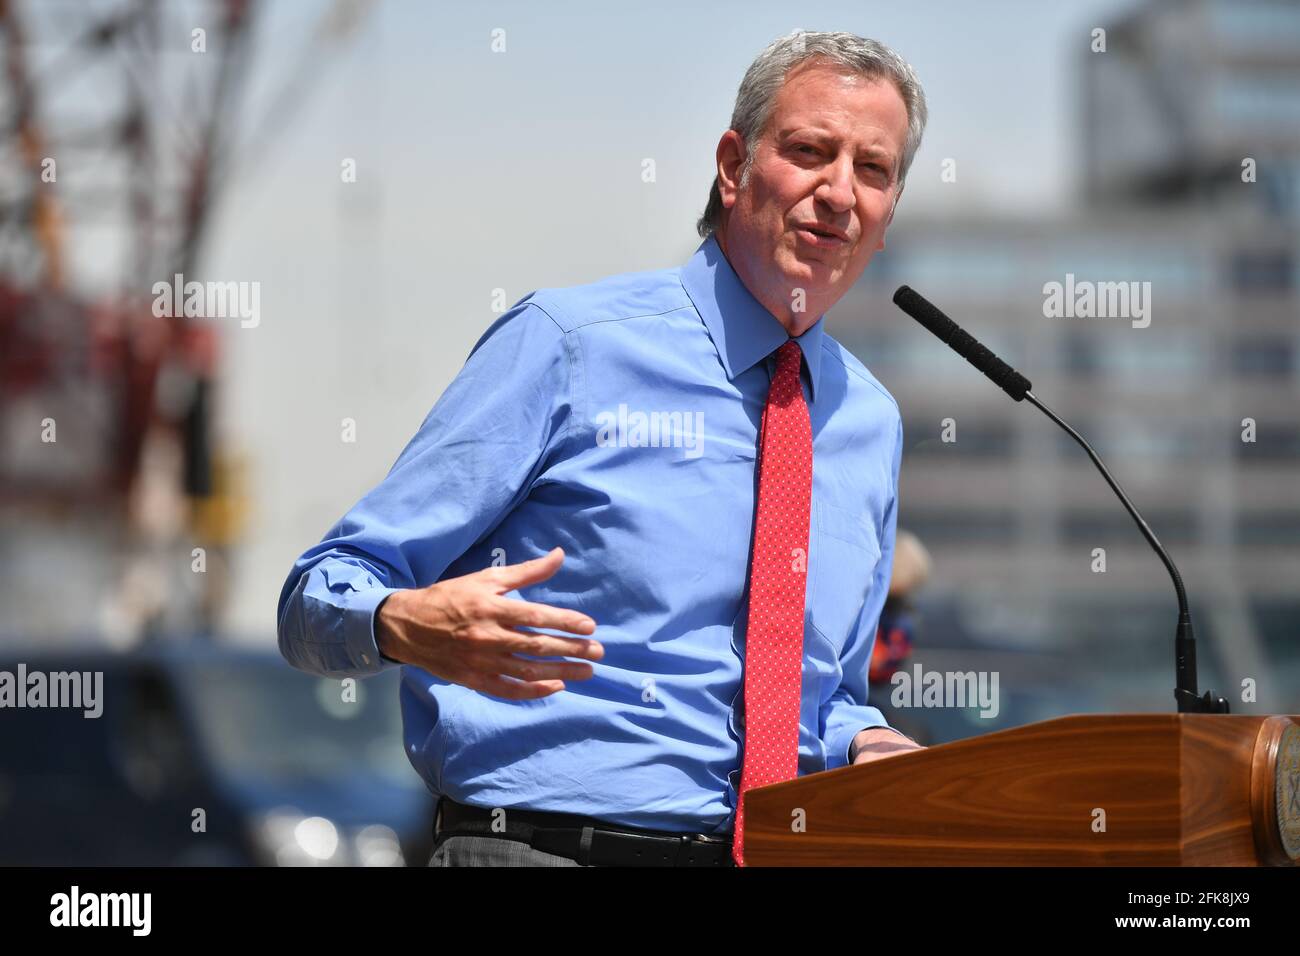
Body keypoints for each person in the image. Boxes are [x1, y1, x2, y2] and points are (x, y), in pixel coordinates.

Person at [277, 30, 928, 868]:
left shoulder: (867, 423)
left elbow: (824, 698)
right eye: (809, 151)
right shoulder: (568, 347)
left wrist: (865, 743)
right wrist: (403, 621)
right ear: (733, 166)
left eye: (873, 170)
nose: (839, 192)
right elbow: (312, 600)